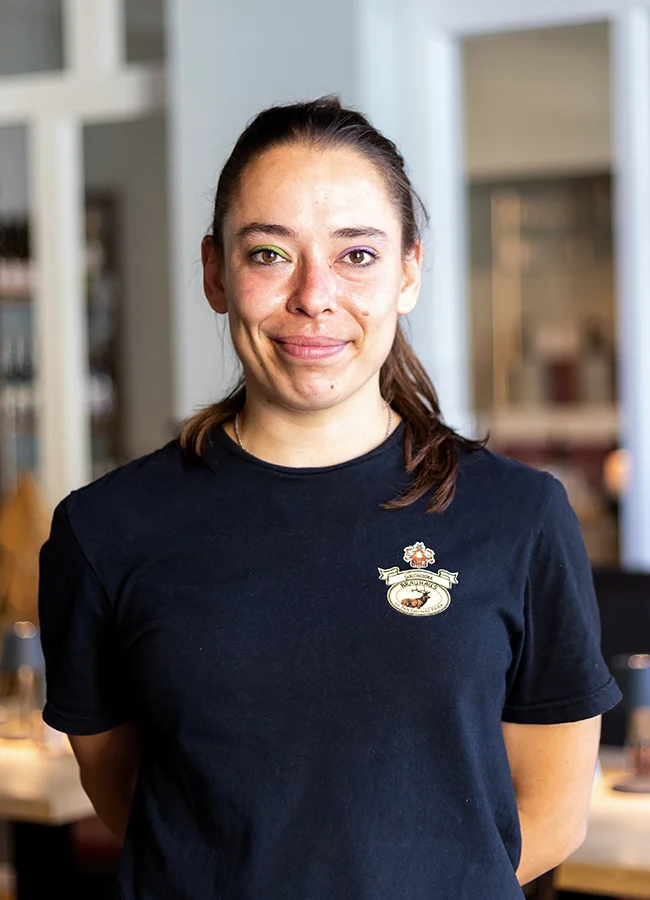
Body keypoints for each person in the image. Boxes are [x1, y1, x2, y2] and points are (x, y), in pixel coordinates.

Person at [38, 96, 621, 900]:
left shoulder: (519, 518)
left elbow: (552, 812)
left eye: (357, 255)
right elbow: (130, 796)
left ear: (408, 272)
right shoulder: (104, 532)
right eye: (270, 253)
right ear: (215, 273)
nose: (315, 296)